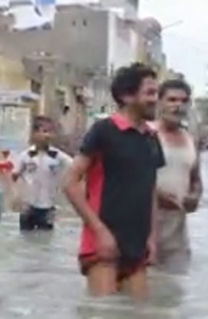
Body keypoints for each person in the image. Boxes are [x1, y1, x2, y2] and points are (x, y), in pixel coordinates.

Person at [63, 62, 163, 298]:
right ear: (127, 96)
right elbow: (70, 182)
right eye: (149, 93)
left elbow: (151, 191)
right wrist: (99, 231)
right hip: (102, 244)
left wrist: (151, 238)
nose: (155, 99)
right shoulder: (104, 131)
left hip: (137, 245)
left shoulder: (151, 138)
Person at [153, 78, 202, 273]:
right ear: (160, 103)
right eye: (171, 100)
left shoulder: (191, 140)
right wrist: (158, 195)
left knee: (174, 288)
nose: (177, 106)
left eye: (183, 101)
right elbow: (130, 177)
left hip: (177, 230)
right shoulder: (147, 135)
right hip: (144, 224)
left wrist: (195, 196)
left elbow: (196, 179)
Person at [11, 115, 73, 231]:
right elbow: (14, 177)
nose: (48, 135)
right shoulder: (25, 156)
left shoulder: (58, 156)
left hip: (48, 208)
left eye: (51, 132)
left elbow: (75, 167)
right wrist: (17, 197)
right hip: (28, 206)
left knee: (46, 241)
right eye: (44, 131)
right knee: (25, 239)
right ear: (34, 134)